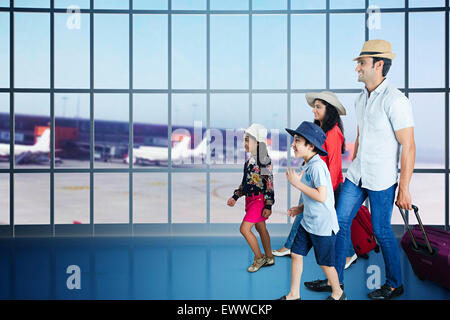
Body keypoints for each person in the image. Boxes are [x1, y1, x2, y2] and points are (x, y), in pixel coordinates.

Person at [304, 39, 416, 300]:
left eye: (361, 64)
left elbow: (408, 146)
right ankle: (336, 282)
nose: (357, 69)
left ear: (378, 65)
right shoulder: (360, 100)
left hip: (381, 179)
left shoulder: (396, 101)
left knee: (381, 231)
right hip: (357, 175)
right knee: (338, 222)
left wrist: (405, 188)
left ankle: (394, 283)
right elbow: (361, 135)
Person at [272, 92, 358, 270]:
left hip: (326, 184)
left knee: (334, 222)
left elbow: (334, 164)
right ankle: (291, 246)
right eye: (314, 106)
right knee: (307, 213)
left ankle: (347, 253)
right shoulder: (320, 129)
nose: (314, 110)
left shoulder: (333, 133)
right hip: (316, 180)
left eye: (318, 106)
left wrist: (327, 192)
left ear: (329, 110)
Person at [278, 121, 346, 300]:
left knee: (325, 264)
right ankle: (293, 294)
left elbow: (322, 196)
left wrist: (297, 184)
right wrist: (300, 208)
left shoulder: (317, 167)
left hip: (322, 226)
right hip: (308, 222)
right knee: (295, 253)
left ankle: (338, 293)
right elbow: (315, 197)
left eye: (297, 141)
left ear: (311, 146)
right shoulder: (308, 164)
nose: (293, 144)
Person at [227, 123, 275, 273]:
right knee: (261, 228)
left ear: (258, 142)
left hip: (260, 200)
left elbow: (269, 183)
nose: (245, 143)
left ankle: (259, 258)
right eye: (244, 140)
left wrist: (268, 205)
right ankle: (269, 257)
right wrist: (236, 196)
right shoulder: (249, 162)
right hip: (250, 200)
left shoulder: (264, 160)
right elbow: (245, 184)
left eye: (248, 140)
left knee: (244, 229)